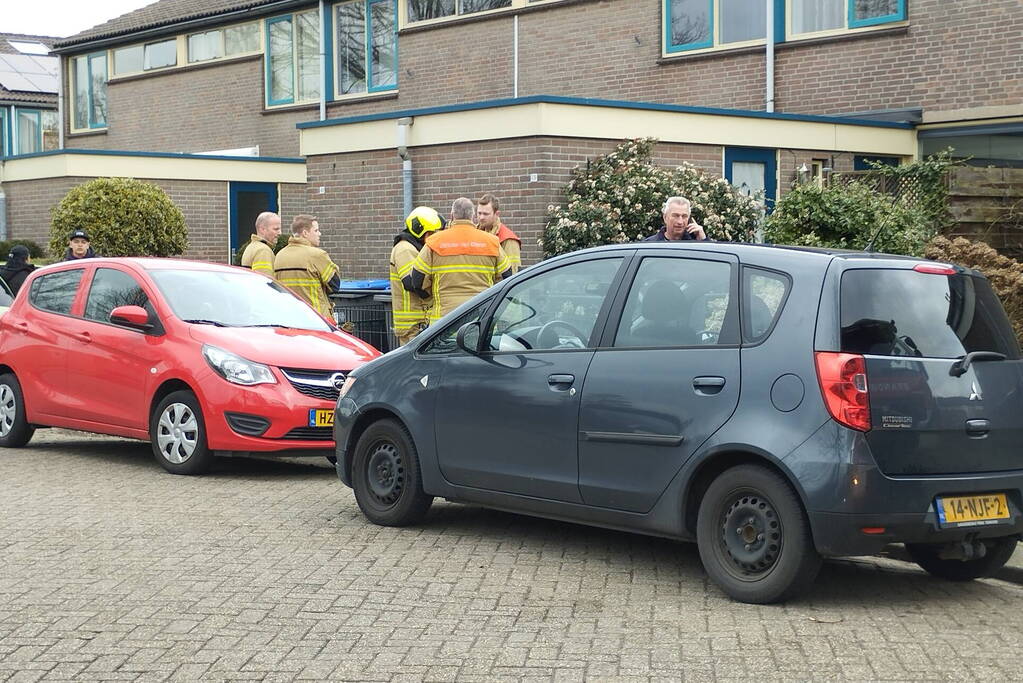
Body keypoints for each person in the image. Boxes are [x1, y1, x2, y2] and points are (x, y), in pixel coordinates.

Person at [405, 197, 513, 324]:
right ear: (473, 217)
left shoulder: (434, 242)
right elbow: (507, 276)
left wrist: (430, 298)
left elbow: (417, 280)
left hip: (443, 322)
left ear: (452, 216)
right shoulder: (492, 242)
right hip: (480, 320)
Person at [390, 206, 445, 346]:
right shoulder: (405, 249)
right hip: (412, 324)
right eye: (431, 233)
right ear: (419, 231)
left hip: (419, 321)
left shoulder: (415, 248)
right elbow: (411, 283)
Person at [273, 214, 341, 319]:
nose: (319, 234)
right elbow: (335, 286)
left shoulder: (279, 256)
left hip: (289, 317)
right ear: (305, 233)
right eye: (316, 230)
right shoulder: (317, 255)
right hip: (316, 318)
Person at [476, 193, 522, 273]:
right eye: (479, 213)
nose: (481, 217)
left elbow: (513, 273)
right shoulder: (475, 233)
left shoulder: (508, 239)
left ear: (497, 214)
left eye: (486, 214)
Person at [643, 197, 708, 242]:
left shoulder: (695, 244)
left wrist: (703, 241)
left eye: (684, 216)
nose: (680, 222)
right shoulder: (650, 245)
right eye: (675, 216)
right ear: (665, 218)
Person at [241, 211, 281, 278]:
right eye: (276, 229)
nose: (280, 233)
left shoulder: (251, 247)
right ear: (262, 229)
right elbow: (265, 280)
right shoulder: (263, 250)